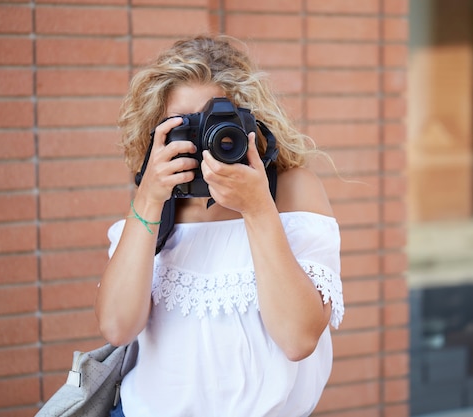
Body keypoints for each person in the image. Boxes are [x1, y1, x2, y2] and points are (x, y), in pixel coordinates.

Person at [95, 34, 344, 417]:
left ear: (250, 122)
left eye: (213, 123)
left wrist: (258, 208)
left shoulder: (292, 191)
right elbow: (117, 327)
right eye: (183, 127)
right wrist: (148, 198)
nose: (200, 141)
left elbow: (298, 338)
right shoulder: (155, 204)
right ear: (156, 131)